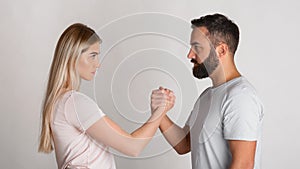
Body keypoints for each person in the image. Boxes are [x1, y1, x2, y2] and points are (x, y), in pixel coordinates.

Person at [38, 23, 175, 169]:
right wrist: (160, 111)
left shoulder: (61, 102)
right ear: (73, 56)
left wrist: (158, 113)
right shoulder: (74, 103)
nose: (97, 64)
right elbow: (132, 147)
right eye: (93, 56)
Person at [151, 13, 264, 169]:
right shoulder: (207, 96)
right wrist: (160, 113)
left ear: (222, 50)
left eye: (197, 47)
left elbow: (243, 164)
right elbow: (184, 144)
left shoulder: (240, 97)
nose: (190, 55)